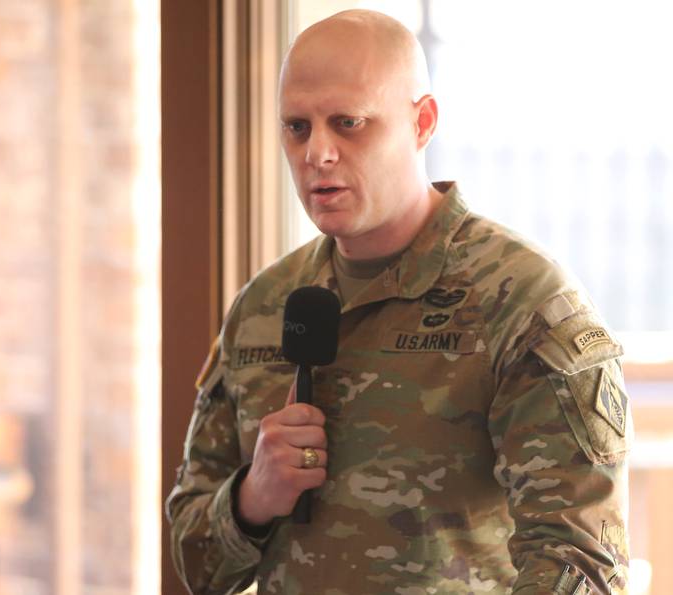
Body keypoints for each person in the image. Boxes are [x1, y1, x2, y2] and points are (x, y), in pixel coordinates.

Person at [167, 9, 631, 595]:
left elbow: (582, 564)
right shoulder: (266, 304)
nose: (319, 154)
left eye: (348, 122)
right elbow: (195, 565)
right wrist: (253, 499)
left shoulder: (522, 302)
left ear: (422, 122)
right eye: (297, 127)